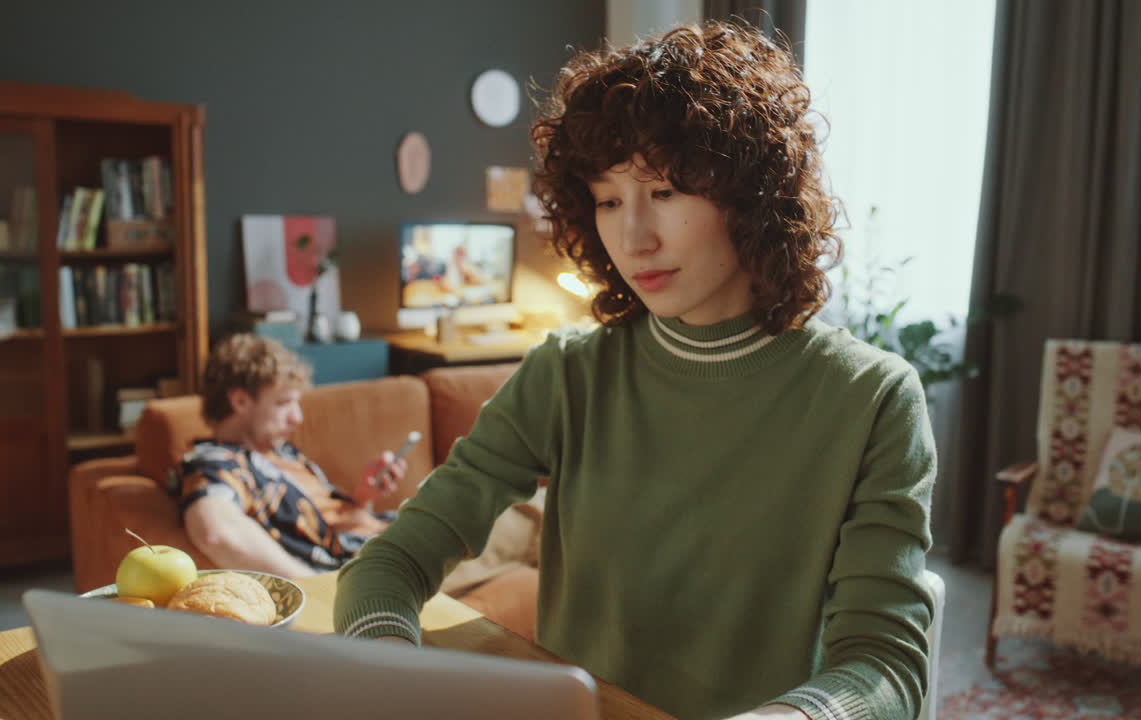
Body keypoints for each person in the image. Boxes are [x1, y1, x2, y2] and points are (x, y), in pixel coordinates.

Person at [334, 21, 935, 720]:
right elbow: (389, 564)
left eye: (668, 192)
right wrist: (390, 670)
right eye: (609, 199)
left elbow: (886, 663)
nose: (634, 236)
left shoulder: (871, 398)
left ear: (753, 194)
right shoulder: (567, 373)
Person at [175, 333, 408, 579]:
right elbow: (215, 532)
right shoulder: (218, 463)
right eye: (283, 403)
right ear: (240, 401)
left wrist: (363, 497)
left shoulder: (282, 450)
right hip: (374, 565)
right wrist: (314, 590)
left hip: (390, 533)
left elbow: (326, 522)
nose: (297, 417)